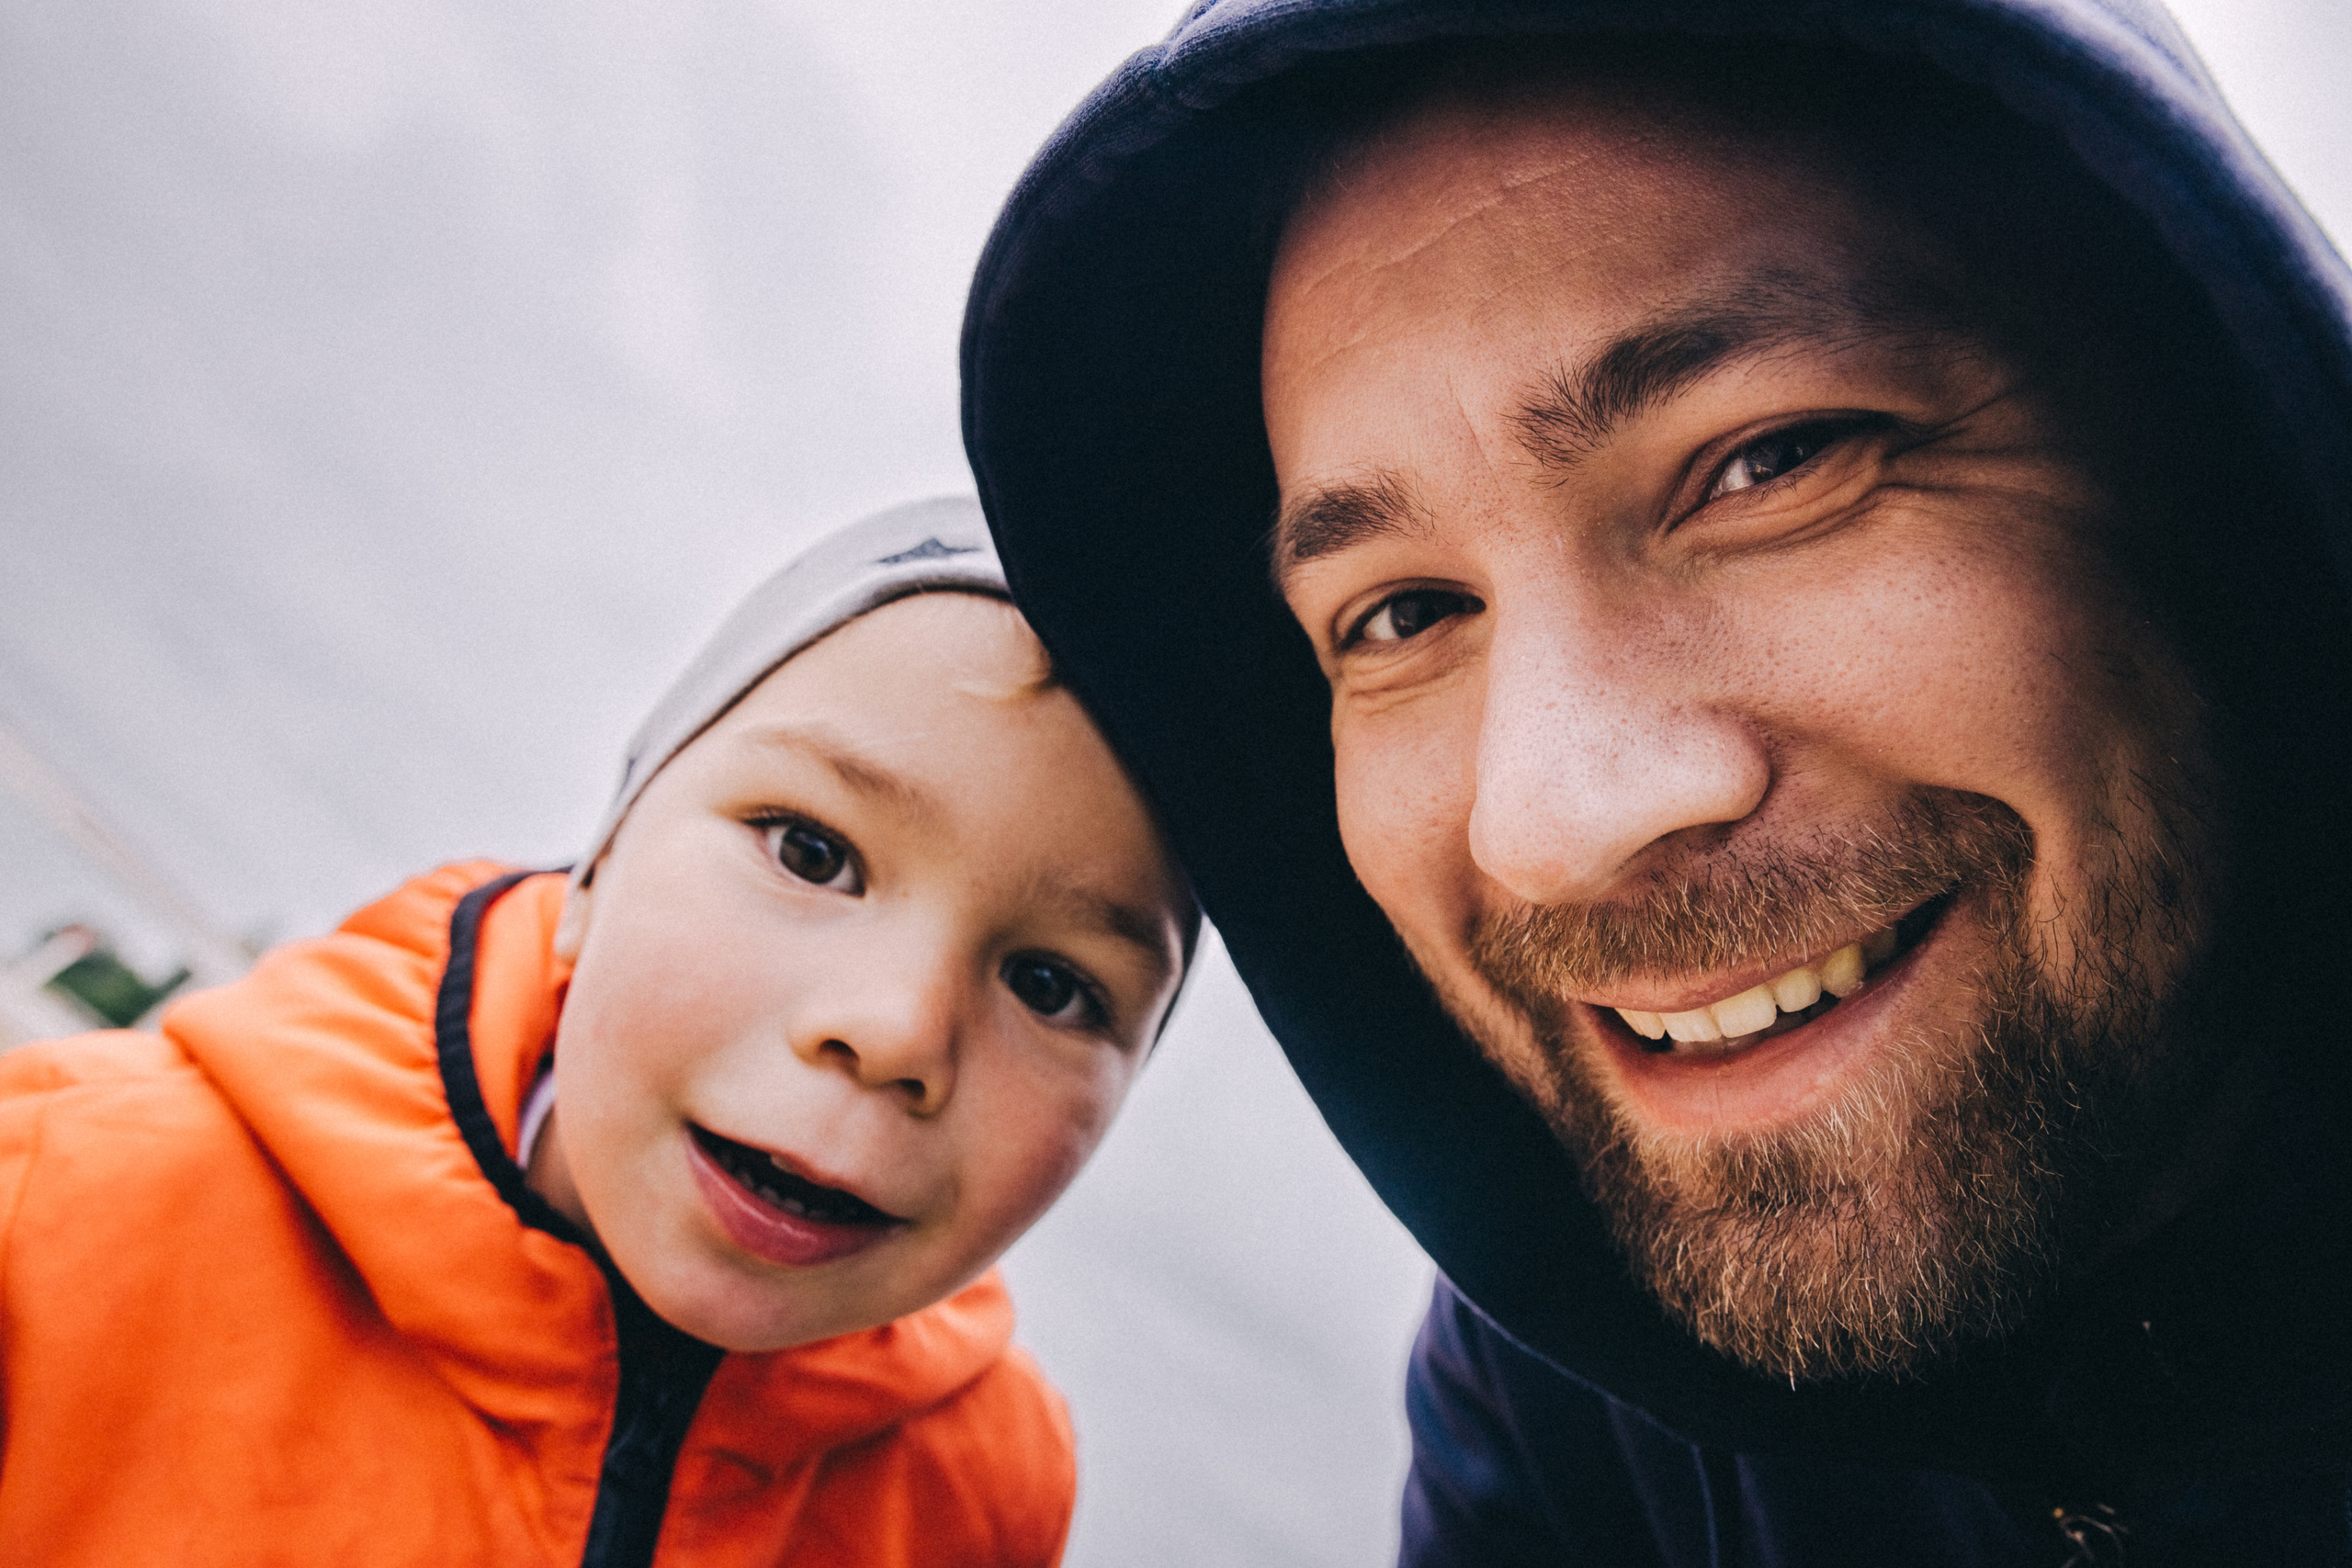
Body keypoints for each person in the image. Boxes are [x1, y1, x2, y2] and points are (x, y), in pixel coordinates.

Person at [961, 3, 2352, 1562]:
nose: (1556, 818)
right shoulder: (1566, 1379)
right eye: (1404, 616)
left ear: (2229, 462)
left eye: (1772, 460)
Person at [0, 497, 1195, 1567]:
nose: (893, 1032)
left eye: (1052, 985)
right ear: (599, 864)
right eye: (811, 851)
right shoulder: (51, 1208)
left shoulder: (990, 1490)